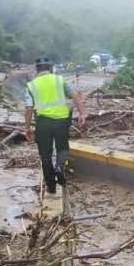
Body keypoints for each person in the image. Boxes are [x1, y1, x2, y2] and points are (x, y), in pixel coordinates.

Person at [24, 57, 87, 195]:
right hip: (62, 121)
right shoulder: (60, 80)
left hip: (43, 123)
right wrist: (82, 113)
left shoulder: (31, 85)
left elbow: (29, 108)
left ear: (36, 69)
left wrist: (27, 128)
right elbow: (75, 95)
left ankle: (51, 187)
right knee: (62, 147)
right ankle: (59, 167)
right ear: (50, 68)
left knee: (45, 155)